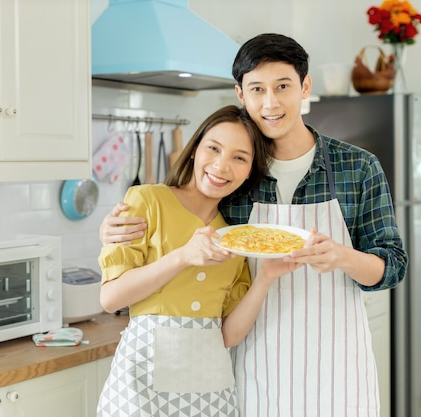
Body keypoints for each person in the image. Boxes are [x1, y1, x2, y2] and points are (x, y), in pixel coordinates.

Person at [98, 33, 408, 417]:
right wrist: (112, 229)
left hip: (336, 363)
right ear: (241, 94)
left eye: (283, 86)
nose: (271, 102)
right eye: (257, 89)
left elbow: (392, 266)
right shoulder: (235, 177)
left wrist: (343, 257)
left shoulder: (357, 167)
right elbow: (181, 211)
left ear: (304, 87)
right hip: (255, 361)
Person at [96, 105, 302, 417]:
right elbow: (111, 299)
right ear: (195, 150)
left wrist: (266, 278)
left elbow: (229, 335)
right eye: (213, 148)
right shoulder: (146, 201)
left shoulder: (233, 235)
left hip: (209, 392)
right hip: (141, 386)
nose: (221, 166)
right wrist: (182, 256)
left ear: (250, 171)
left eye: (239, 157)